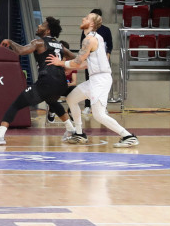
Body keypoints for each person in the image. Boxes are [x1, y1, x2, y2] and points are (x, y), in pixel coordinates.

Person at [47, 12, 138, 147]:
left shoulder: (90, 39)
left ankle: (128, 136)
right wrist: (68, 68)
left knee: (99, 115)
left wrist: (61, 63)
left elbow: (78, 61)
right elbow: (85, 64)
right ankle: (79, 134)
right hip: (95, 78)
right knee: (71, 98)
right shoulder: (96, 38)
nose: (83, 18)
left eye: (87, 18)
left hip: (100, 80)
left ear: (91, 24)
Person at [0, 16, 77, 145]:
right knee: (51, 100)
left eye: (42, 25)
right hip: (61, 83)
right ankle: (71, 130)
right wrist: (65, 66)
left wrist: (10, 42)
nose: (38, 26)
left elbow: (21, 51)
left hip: (47, 81)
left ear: (47, 31)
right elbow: (75, 58)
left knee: (16, 104)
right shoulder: (60, 45)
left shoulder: (39, 43)